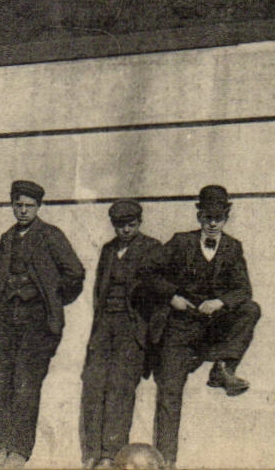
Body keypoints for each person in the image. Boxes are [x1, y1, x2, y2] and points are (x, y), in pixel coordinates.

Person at [139, 185, 261, 469]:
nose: (213, 223)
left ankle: (222, 367)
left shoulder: (233, 248)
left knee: (251, 310)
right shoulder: (181, 243)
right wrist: (172, 297)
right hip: (179, 329)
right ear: (199, 216)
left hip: (211, 329)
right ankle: (166, 461)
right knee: (169, 392)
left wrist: (219, 302)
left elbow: (244, 290)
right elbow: (147, 272)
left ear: (227, 216)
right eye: (207, 216)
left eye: (219, 217)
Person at [0, 179, 85, 468]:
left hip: (37, 326)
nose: (24, 211)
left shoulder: (51, 236)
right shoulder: (7, 238)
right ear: (12, 205)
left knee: (26, 387)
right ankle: (0, 446)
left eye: (29, 206)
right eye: (19, 205)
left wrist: (50, 299)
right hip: (7, 322)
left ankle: (19, 451)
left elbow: (75, 273)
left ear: (39, 207)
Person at [79, 199, 163, 469]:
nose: (125, 230)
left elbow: (159, 295)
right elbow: (98, 292)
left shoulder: (152, 249)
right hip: (104, 328)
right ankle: (91, 452)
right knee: (93, 387)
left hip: (132, 329)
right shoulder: (107, 250)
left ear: (139, 223)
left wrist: (149, 337)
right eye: (120, 226)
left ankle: (110, 454)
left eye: (131, 225)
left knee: (119, 390)